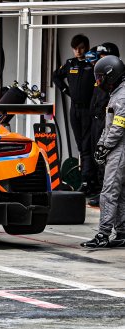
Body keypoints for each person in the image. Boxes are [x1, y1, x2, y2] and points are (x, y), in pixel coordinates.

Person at [81, 55, 125, 248]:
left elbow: (118, 127)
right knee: (121, 193)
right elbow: (109, 126)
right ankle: (122, 232)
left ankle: (103, 234)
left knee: (108, 193)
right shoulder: (116, 94)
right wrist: (101, 145)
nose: (98, 82)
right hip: (116, 148)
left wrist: (105, 146)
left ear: (111, 75)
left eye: (100, 78)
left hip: (120, 150)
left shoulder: (121, 96)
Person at [53, 34, 96, 196]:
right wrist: (66, 91)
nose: (78, 51)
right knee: (80, 145)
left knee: (86, 146)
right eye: (75, 48)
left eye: (81, 48)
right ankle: (86, 180)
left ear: (86, 47)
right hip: (74, 109)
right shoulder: (70, 63)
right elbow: (56, 76)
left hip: (88, 110)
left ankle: (87, 181)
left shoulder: (92, 64)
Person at [86, 43, 120, 207]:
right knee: (97, 155)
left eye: (103, 57)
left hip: (108, 121)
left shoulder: (117, 78)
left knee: (108, 158)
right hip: (96, 119)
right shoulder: (101, 75)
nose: (100, 61)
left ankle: (105, 193)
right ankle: (99, 189)